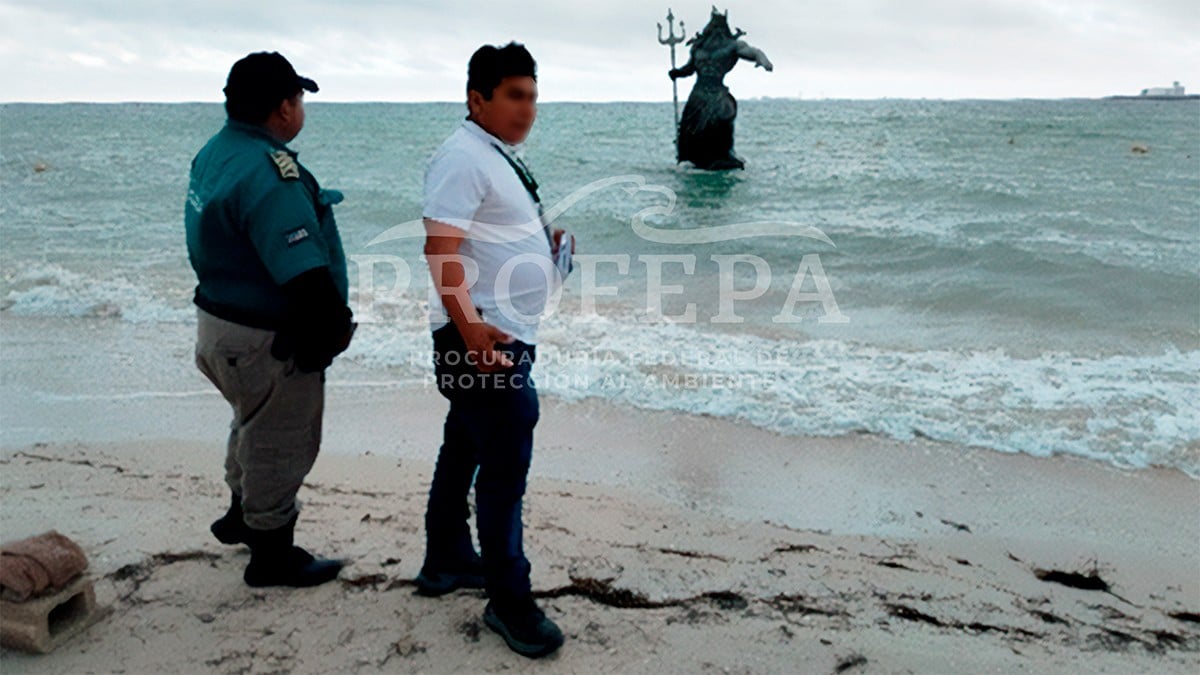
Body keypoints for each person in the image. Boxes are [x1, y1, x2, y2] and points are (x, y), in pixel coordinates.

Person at [417, 42, 572, 658]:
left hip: (497, 329)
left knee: (466, 440)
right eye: (514, 95)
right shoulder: (461, 157)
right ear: (477, 99)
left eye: (532, 95)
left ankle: (446, 557)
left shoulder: (495, 153)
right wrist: (474, 334)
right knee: (506, 460)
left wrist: (543, 241)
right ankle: (510, 601)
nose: (527, 108)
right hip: (479, 334)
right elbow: (441, 251)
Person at [186, 51, 355, 588]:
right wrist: (329, 333)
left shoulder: (216, 153)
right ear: (283, 107)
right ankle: (271, 554)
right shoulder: (270, 173)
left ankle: (241, 513)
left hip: (219, 325)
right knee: (283, 439)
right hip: (266, 336)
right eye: (298, 98)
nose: (301, 107)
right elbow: (303, 273)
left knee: (251, 421)